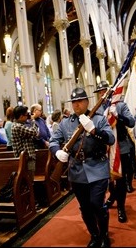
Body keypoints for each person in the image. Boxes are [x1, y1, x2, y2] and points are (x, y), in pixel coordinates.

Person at [49, 87, 115, 247]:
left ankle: (104, 235)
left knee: (96, 204)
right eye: (74, 102)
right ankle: (95, 235)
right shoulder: (65, 123)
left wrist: (94, 130)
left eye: (80, 101)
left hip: (98, 167)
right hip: (77, 170)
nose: (76, 104)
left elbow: (111, 139)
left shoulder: (98, 119)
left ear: (87, 102)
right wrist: (57, 152)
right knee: (85, 207)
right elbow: (53, 141)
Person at [93, 80, 136, 223]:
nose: (101, 94)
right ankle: (113, 196)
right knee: (108, 178)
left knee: (121, 180)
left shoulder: (121, 105)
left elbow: (131, 122)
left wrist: (118, 116)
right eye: (99, 92)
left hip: (121, 147)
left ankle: (121, 208)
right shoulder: (97, 109)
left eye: (104, 91)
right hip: (104, 149)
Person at [11, 105, 43, 212]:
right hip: (25, 160)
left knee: (29, 183)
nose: (28, 117)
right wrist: (33, 121)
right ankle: (32, 206)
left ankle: (32, 205)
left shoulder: (21, 125)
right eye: (26, 115)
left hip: (27, 158)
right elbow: (35, 132)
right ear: (20, 116)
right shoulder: (17, 126)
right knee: (28, 183)